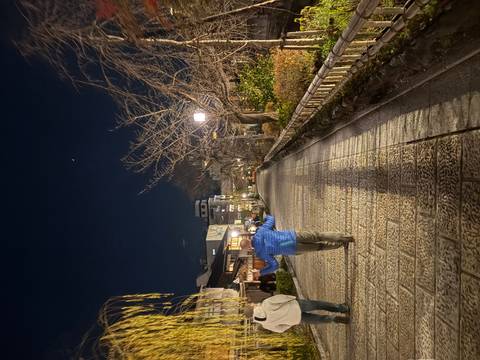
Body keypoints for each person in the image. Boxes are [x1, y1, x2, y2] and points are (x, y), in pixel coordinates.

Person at [240, 215, 353, 277]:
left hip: (292, 248)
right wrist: (263, 218)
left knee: (319, 247)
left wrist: (261, 272)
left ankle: (340, 244)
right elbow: (272, 218)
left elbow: (275, 265)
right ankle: (345, 237)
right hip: (293, 236)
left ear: (249, 248)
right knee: (318, 236)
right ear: (248, 239)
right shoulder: (261, 231)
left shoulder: (261, 253)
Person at [248, 294, 349, 333]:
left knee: (317, 320)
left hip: (295, 319)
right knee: (318, 305)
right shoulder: (265, 304)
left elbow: (280, 330)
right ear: (252, 309)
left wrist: (290, 323)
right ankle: (341, 308)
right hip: (295, 306)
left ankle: (333, 319)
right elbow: (280, 298)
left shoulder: (266, 325)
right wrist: (292, 298)